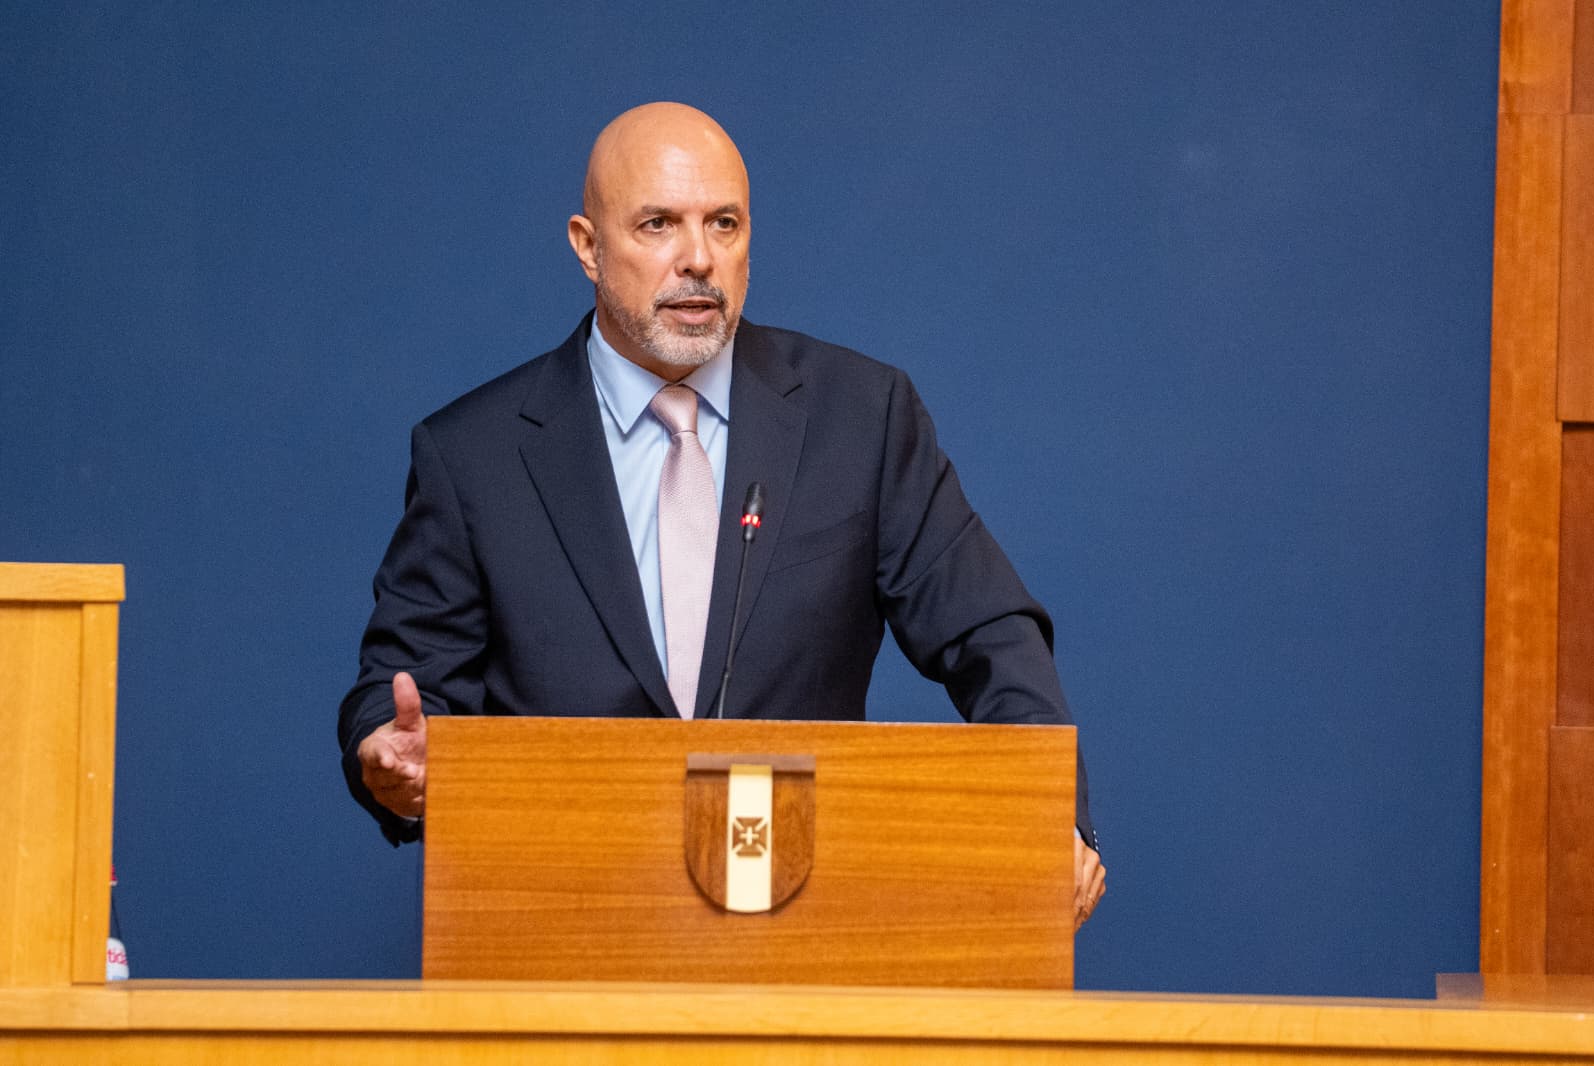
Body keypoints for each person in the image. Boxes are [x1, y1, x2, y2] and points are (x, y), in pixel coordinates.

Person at [339, 102, 1107, 928]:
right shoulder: (475, 454)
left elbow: (990, 634)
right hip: (564, 923)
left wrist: (1044, 812)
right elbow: (403, 689)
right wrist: (390, 753)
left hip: (802, 921)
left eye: (724, 224)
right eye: (658, 225)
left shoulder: (861, 415)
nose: (698, 258)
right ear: (587, 247)